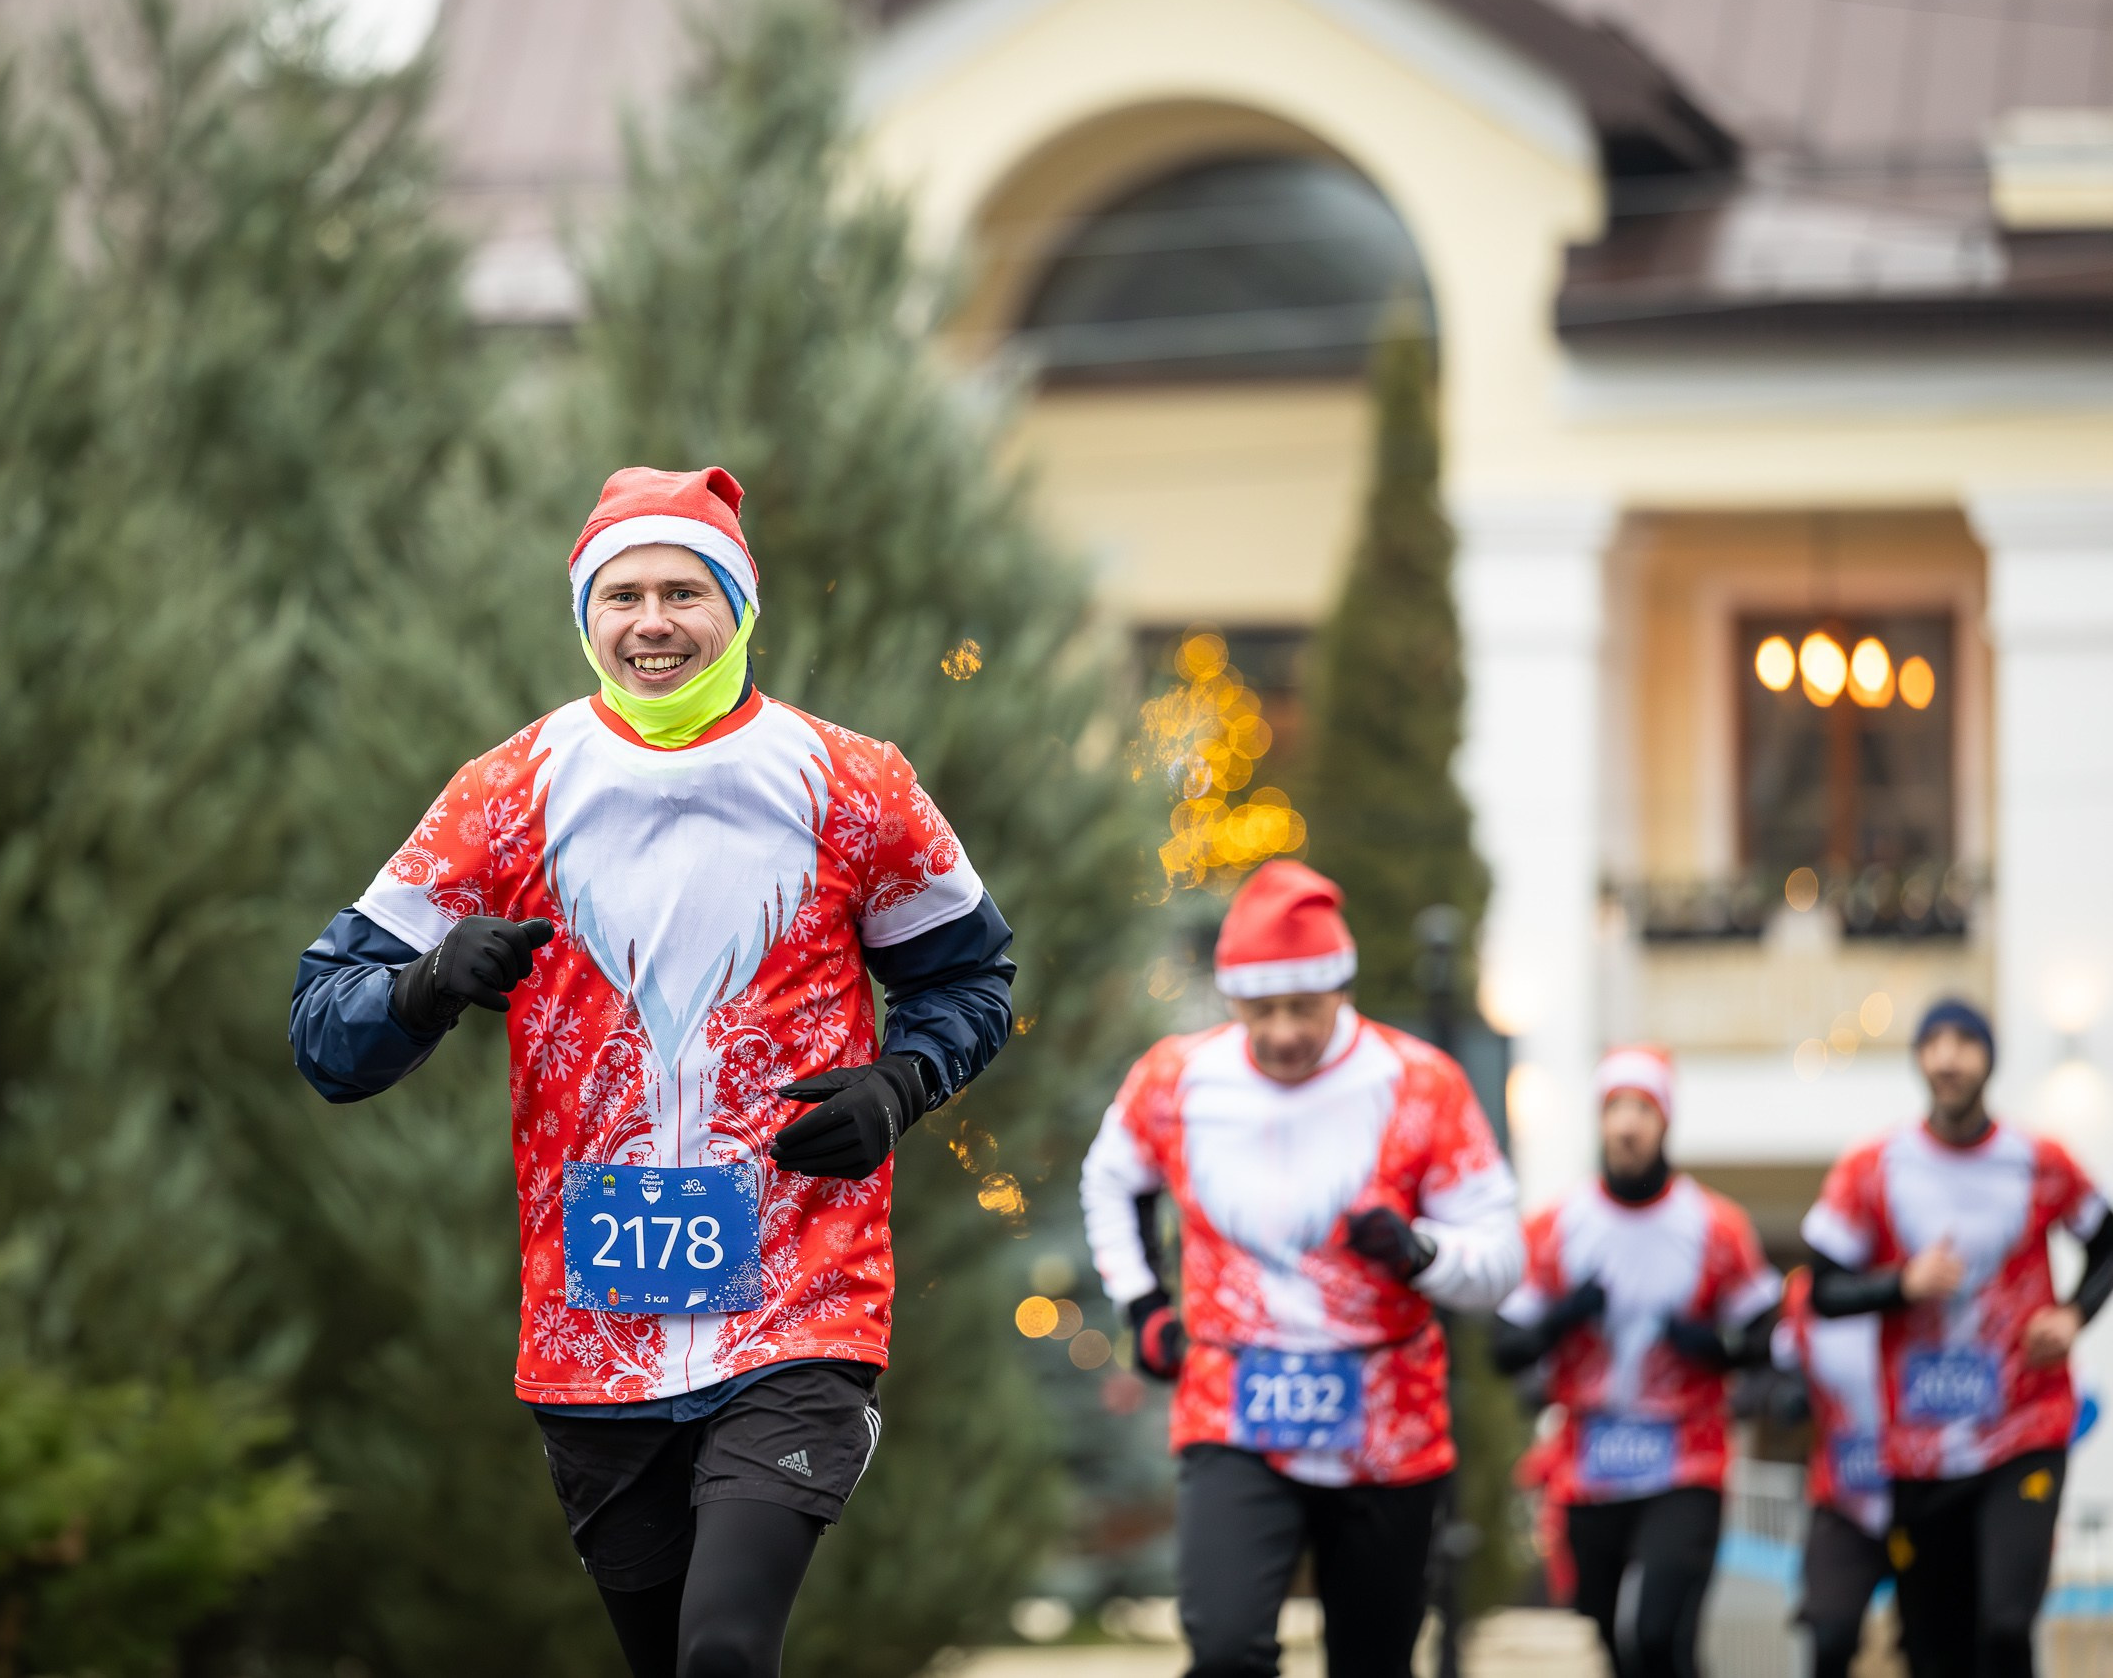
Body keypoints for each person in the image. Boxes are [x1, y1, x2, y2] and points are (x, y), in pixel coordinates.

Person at [287, 466, 1016, 1678]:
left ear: (738, 607)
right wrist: (423, 986)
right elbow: (324, 1035)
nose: (653, 622)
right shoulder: (506, 793)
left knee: (725, 1652)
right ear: (587, 617)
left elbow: (970, 981)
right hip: (595, 1329)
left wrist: (898, 1085)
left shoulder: (853, 783)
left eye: (686, 590)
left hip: (798, 1295)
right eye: (622, 595)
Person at [1078, 861, 1524, 1678]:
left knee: (1372, 1663)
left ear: (1341, 990)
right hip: (1233, 1409)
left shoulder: (1421, 1083)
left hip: (1387, 1422)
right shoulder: (1178, 1078)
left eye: (1303, 1009)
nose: (1282, 1031)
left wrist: (1424, 1251)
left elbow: (1500, 1258)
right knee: (1223, 1652)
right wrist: (1141, 1301)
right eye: (1260, 1010)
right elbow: (1110, 1175)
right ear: (1232, 998)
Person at [1802, 997, 2113, 1678]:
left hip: (2023, 1421)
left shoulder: (2040, 1158)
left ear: (1989, 1058)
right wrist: (1900, 1284)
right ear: (1917, 1059)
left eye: (1965, 1040)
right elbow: (1822, 1290)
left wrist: (2074, 1314)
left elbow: (2107, 1242)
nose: (1948, 1056)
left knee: (2004, 1624)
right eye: (1933, 1041)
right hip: (1919, 1446)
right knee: (1936, 1646)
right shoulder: (1873, 1166)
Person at [1493, 1046, 1782, 1678]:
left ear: (1664, 1121)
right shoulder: (1558, 1225)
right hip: (1588, 1462)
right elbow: (1504, 1348)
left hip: (1686, 1456)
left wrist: (1712, 1346)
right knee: (1610, 1639)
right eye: (1615, 1108)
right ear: (1599, 1121)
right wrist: (1565, 1314)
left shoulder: (1715, 1225)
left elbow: (1767, 1335)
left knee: (1656, 1631)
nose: (1627, 1125)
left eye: (1643, 1109)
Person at [1770, 1264, 1892, 1678]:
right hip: (1843, 1497)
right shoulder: (1807, 1295)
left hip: (1929, 1492)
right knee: (1830, 1634)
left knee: (1939, 1642)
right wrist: (1791, 1394)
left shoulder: (1934, 1269)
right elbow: (1776, 1366)